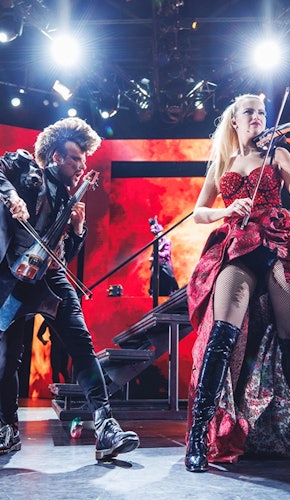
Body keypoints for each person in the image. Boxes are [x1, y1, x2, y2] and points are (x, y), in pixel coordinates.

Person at [185, 94, 290, 473]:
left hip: (279, 239)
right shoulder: (223, 162)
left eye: (262, 112)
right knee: (221, 335)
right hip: (238, 243)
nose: (258, 117)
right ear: (234, 120)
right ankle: (198, 436)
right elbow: (199, 212)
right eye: (249, 111)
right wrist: (226, 209)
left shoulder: (277, 153)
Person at [0, 117, 139, 459]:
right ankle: (7, 427)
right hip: (14, 276)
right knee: (7, 358)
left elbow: (65, 253)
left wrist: (78, 230)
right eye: (75, 159)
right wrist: (12, 196)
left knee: (82, 345)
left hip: (51, 278)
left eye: (83, 160)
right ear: (56, 157)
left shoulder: (70, 200)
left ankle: (105, 426)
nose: (81, 166)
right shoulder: (25, 167)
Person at [148, 216, 179, 297]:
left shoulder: (166, 241)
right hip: (156, 263)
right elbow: (154, 252)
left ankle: (175, 290)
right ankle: (153, 292)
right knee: (153, 278)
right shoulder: (156, 241)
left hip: (164, 263)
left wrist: (157, 254)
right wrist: (152, 257)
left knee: (169, 276)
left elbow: (166, 253)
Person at [37, 319, 70, 384]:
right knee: (63, 370)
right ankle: (66, 387)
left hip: (58, 346)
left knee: (57, 370)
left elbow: (39, 334)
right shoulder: (65, 318)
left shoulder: (49, 318)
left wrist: (43, 341)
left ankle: (61, 388)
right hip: (63, 346)